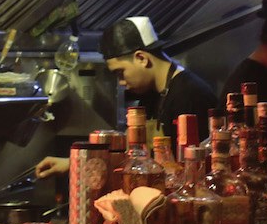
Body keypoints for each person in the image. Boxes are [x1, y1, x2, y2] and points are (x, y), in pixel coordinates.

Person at [36, 16, 219, 180]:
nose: (121, 82)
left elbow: (197, 170)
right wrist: (73, 163)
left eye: (120, 73)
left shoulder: (190, 95)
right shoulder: (151, 94)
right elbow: (133, 153)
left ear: (141, 58)